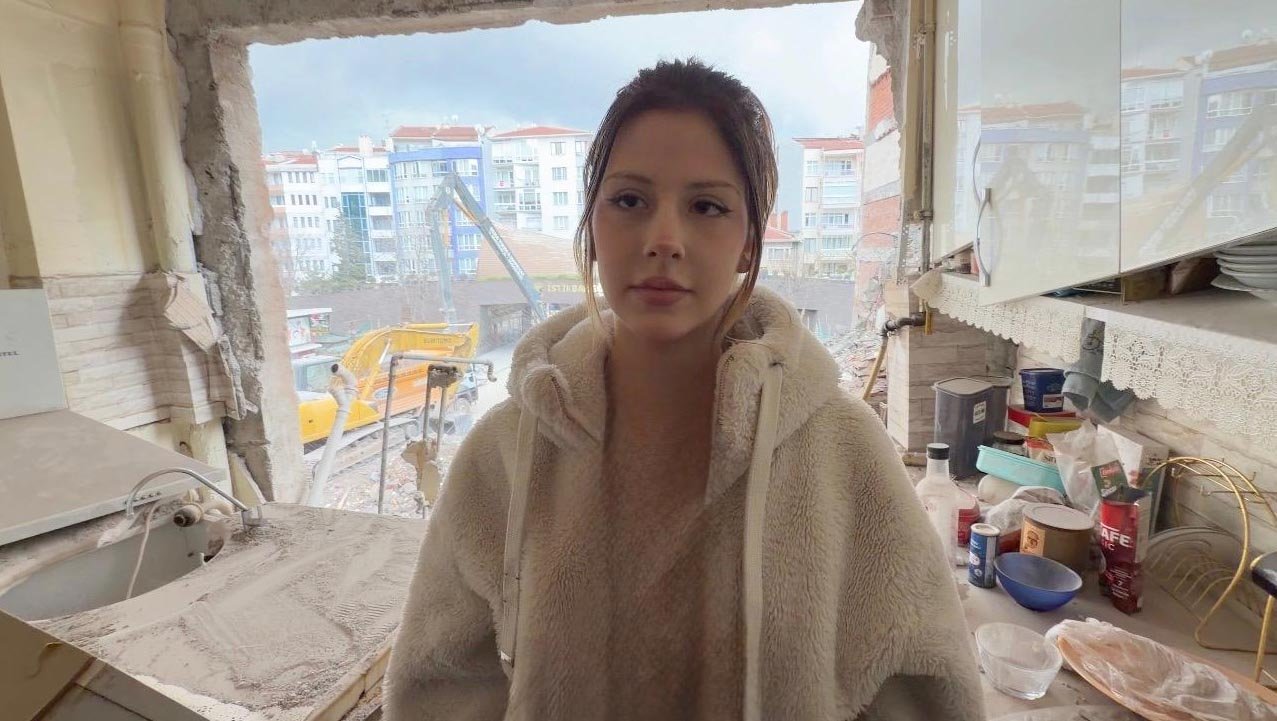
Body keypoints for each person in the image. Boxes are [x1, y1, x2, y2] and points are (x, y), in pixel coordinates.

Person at [385, 59, 983, 721]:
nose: (663, 239)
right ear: (592, 228)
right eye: (629, 201)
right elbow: (434, 687)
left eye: (706, 207)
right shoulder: (504, 454)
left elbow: (929, 686)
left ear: (748, 243)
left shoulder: (843, 453)